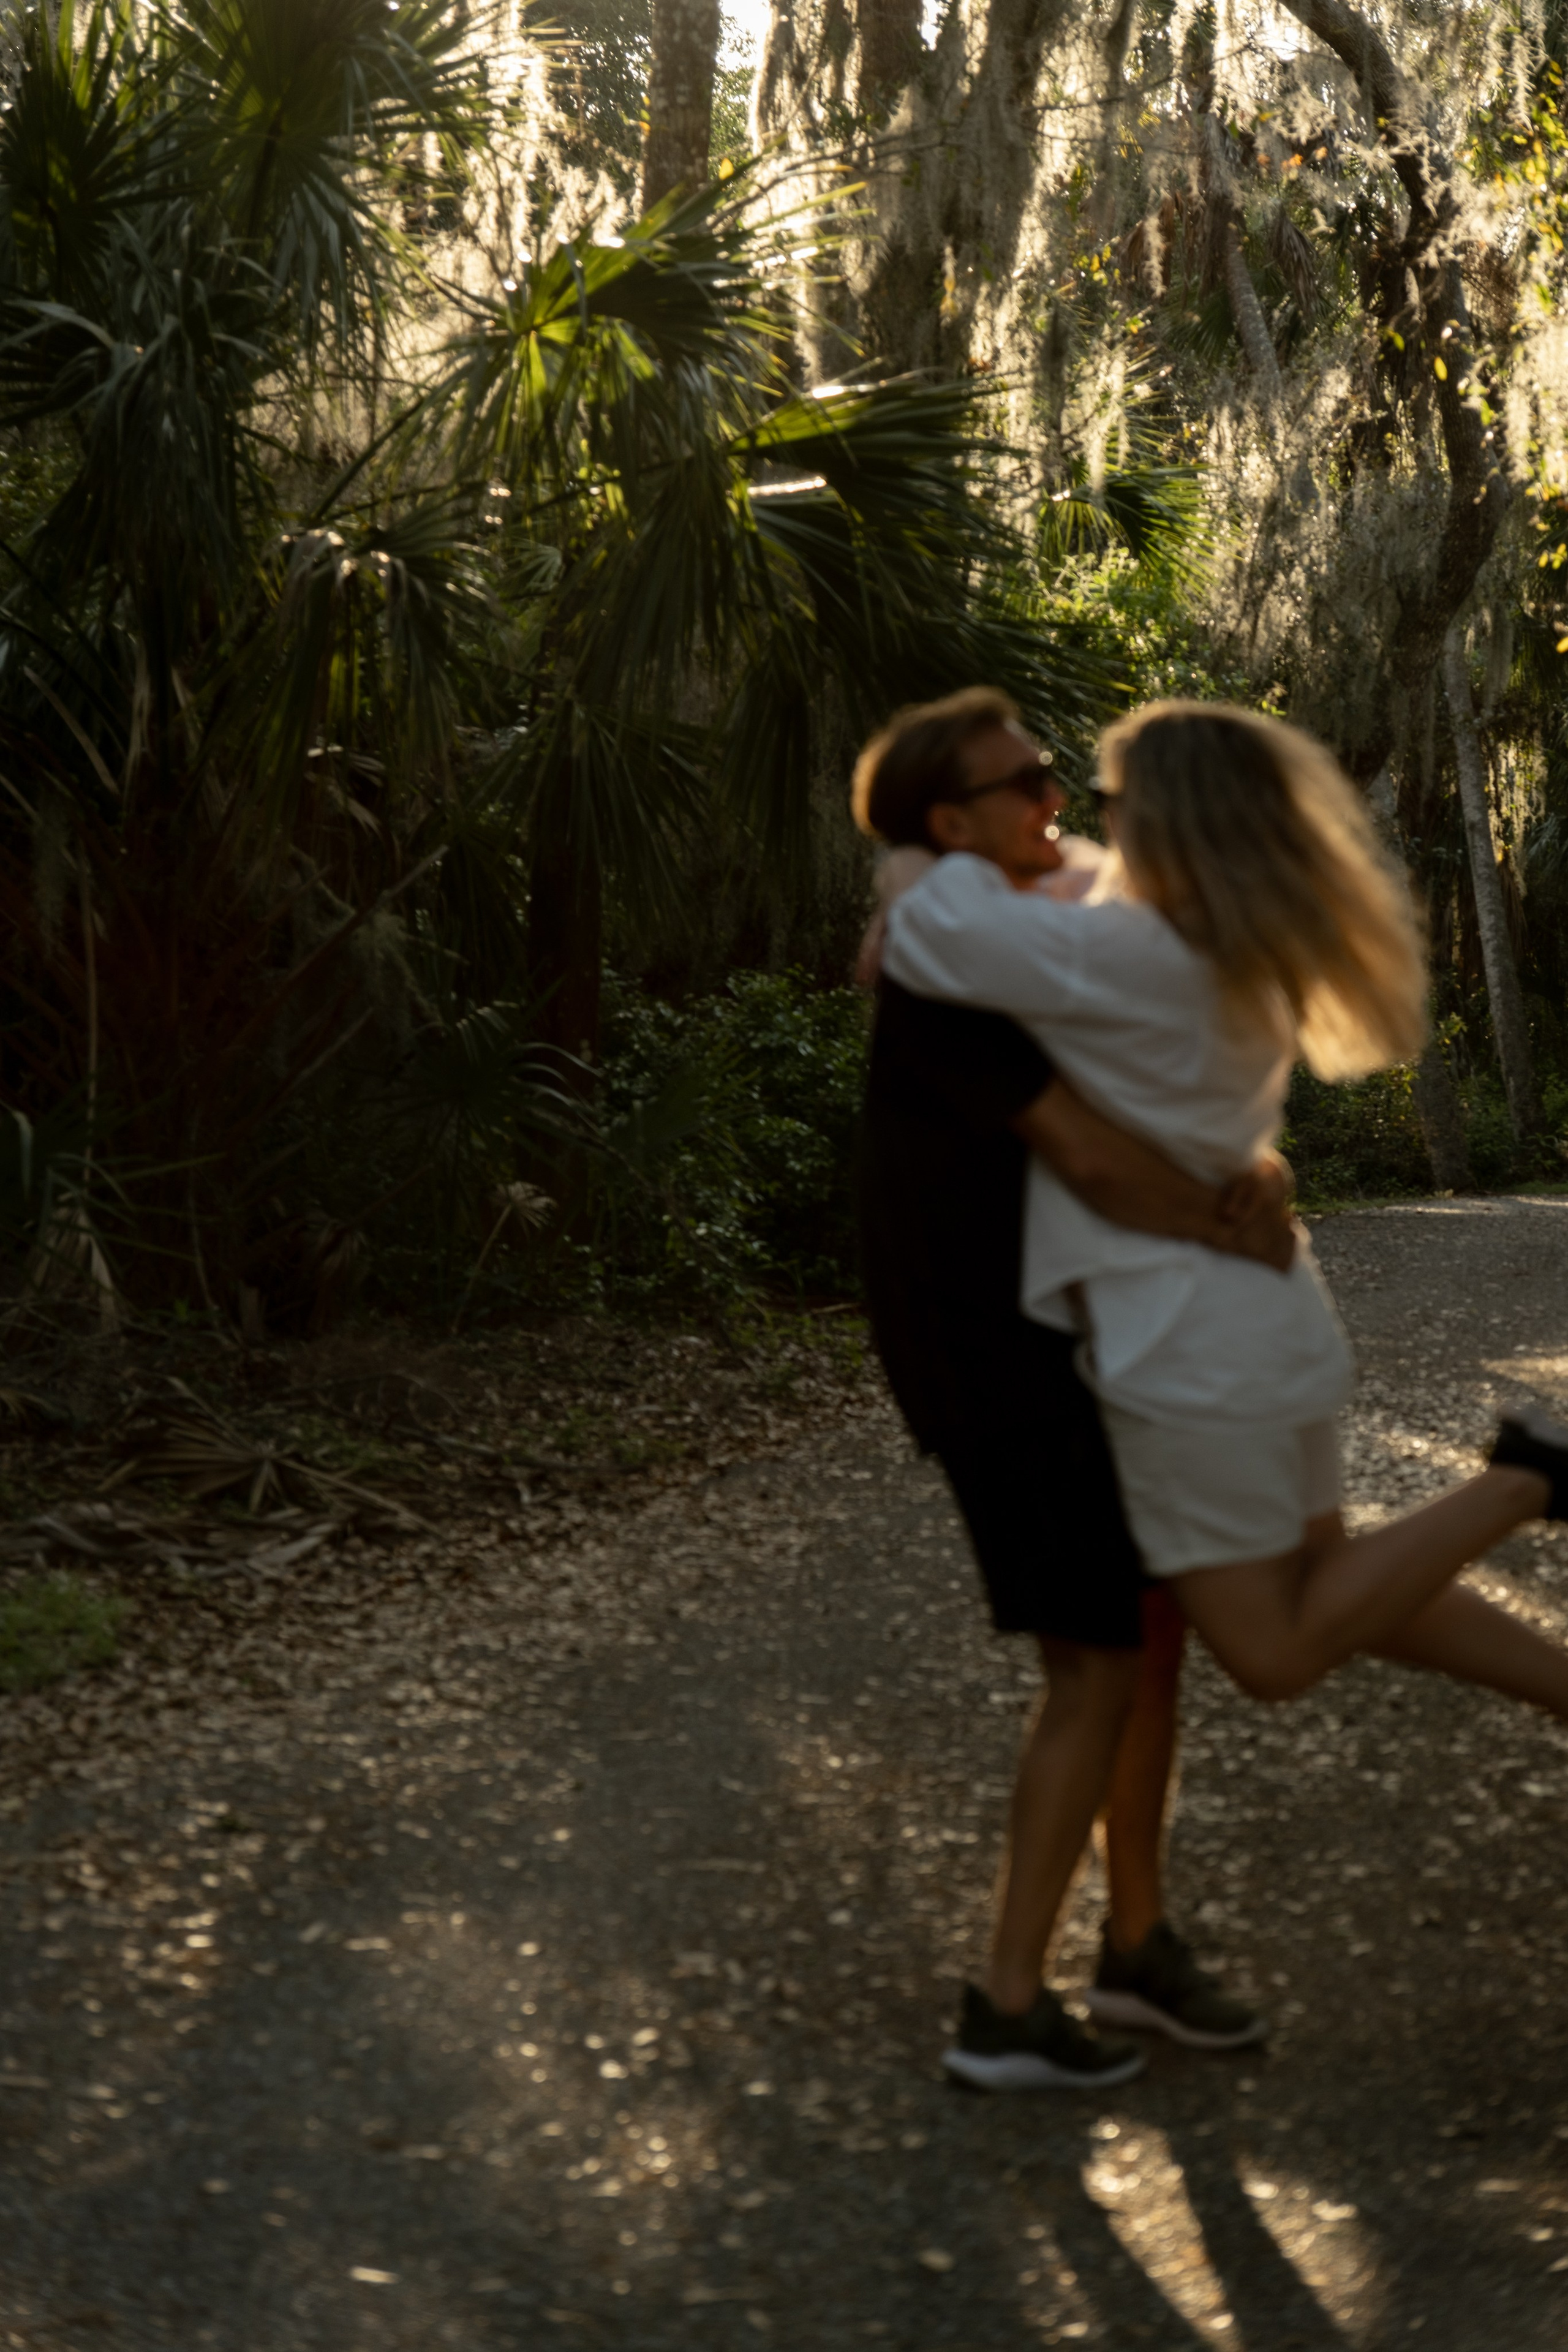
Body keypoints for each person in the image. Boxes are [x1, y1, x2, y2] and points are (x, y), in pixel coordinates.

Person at [883, 697, 1568, 1721]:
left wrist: (907, 862)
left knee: (1276, 1650)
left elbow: (930, 924)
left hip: (1183, 1340)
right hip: (1262, 1312)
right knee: (1339, 1586)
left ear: (1162, 820)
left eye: (1103, 800)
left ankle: (1521, 1480)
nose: (1073, 814)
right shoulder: (1221, 942)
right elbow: (1060, 879)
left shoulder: (1117, 956)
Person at [854, 689, 1295, 2091]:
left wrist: (1260, 1165)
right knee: (1094, 1659)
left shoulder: (999, 924)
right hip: (988, 1345)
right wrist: (1238, 1222)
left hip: (1072, 1331)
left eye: (1054, 773)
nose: (1052, 796)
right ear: (951, 821)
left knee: (1146, 1634)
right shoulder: (950, 968)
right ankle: (1003, 2004)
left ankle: (1136, 1944)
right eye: (1024, 780)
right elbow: (1098, 1165)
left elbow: (1152, 1086)